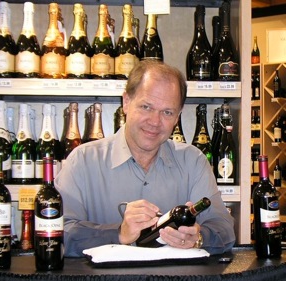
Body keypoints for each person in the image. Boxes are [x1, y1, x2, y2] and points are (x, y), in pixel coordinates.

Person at [55, 60, 235, 257]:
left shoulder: (193, 161)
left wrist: (199, 238)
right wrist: (118, 233)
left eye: (167, 112)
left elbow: (224, 228)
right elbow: (57, 233)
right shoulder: (82, 161)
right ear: (126, 102)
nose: (155, 122)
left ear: (177, 117)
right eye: (146, 107)